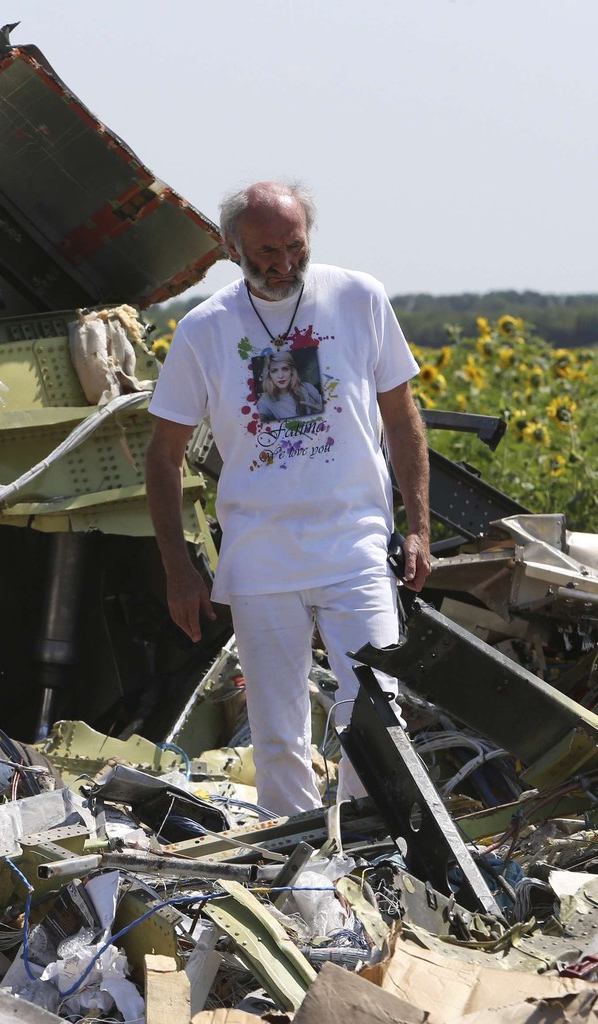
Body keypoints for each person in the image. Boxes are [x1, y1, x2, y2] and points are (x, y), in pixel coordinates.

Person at [144, 180, 431, 817]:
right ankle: (296, 866)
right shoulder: (204, 330)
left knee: (379, 713)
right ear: (232, 249)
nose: (281, 264)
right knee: (277, 735)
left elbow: (403, 418)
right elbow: (162, 457)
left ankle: (371, 849)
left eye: (293, 247)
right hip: (259, 559)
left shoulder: (359, 299)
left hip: (355, 546)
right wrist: (178, 569)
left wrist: (419, 528)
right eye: (265, 252)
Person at [257, 351, 323, 421]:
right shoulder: (265, 400)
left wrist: (321, 411)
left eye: (285, 369)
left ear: (291, 371)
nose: (280, 376)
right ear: (269, 374)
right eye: (274, 371)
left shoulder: (308, 388)